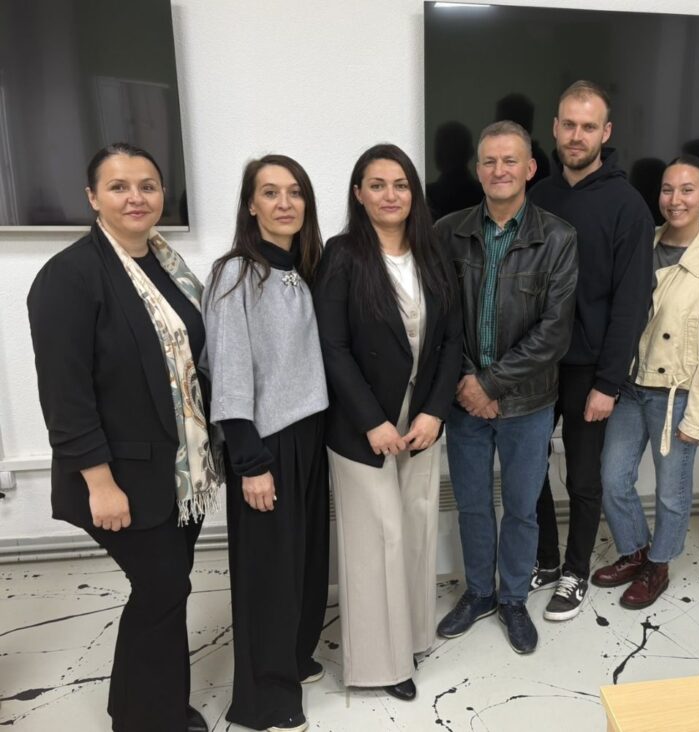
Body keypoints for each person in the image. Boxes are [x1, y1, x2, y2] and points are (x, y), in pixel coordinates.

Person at [27, 142, 220, 732]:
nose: (136, 197)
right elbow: (65, 395)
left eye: (147, 185)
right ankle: (145, 719)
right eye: (118, 187)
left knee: (167, 591)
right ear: (93, 198)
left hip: (178, 471)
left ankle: (153, 706)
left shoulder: (168, 266)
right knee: (162, 588)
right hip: (120, 475)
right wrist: (100, 484)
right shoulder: (69, 276)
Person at [314, 144, 462, 701]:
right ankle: (380, 665)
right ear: (358, 194)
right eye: (376, 185)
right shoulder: (342, 255)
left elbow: (452, 340)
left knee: (417, 527)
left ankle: (413, 637)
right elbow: (331, 346)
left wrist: (435, 411)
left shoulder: (433, 252)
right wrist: (371, 421)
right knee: (377, 538)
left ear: (413, 193)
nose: (390, 195)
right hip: (363, 425)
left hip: (420, 418)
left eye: (400, 184)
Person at [434, 121, 577, 654]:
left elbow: (554, 332)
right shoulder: (447, 232)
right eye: (490, 161)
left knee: (521, 508)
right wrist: (470, 384)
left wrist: (490, 384)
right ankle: (479, 593)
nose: (500, 170)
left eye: (510, 160)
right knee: (472, 505)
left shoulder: (558, 237)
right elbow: (439, 318)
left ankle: (513, 598)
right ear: (478, 170)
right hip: (464, 401)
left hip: (530, 403)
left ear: (530, 168)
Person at [203, 154, 329, 732]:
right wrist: (249, 460)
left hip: (309, 436)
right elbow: (227, 372)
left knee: (303, 564)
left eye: (295, 192)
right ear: (251, 205)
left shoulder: (303, 270)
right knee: (268, 576)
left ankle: (295, 658)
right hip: (265, 443)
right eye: (270, 192)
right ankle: (263, 701)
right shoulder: (235, 274)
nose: (285, 203)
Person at [528, 80, 654, 622]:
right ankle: (546, 559)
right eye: (568, 125)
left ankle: (575, 571)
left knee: (582, 478)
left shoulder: (628, 206)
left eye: (588, 126)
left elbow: (632, 302)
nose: (576, 136)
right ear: (555, 129)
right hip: (535, 364)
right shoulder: (536, 196)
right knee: (528, 470)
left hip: (589, 371)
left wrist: (608, 383)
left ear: (605, 132)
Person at [594, 155, 699, 609]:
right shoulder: (644, 241)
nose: (676, 199)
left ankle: (659, 565)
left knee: (671, 494)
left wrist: (697, 419)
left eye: (687, 189)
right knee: (613, 479)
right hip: (629, 386)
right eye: (667, 189)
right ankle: (635, 550)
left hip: (675, 395)